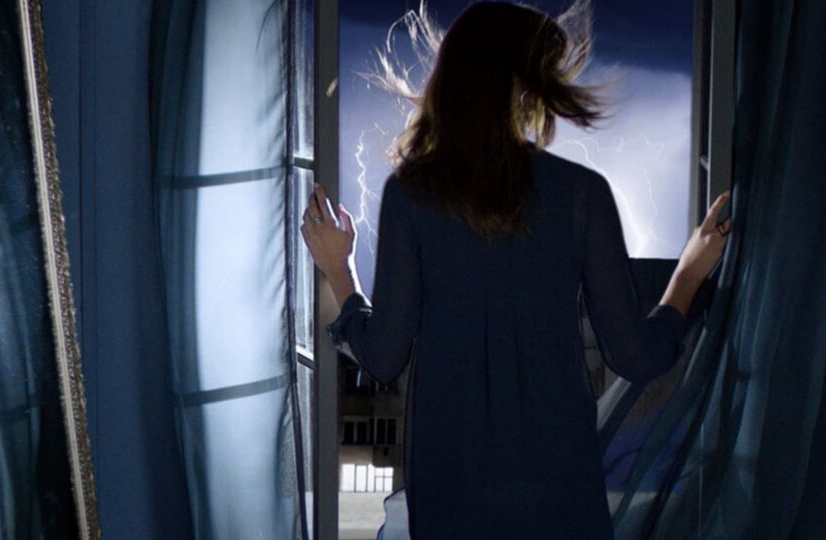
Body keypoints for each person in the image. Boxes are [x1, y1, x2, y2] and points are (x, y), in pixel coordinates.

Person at [301, 2, 731, 538]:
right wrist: (688, 275)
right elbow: (635, 356)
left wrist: (339, 270)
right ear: (527, 90)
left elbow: (384, 355)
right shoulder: (582, 194)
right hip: (558, 489)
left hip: (450, 491)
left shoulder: (410, 194)